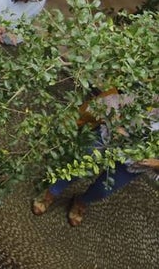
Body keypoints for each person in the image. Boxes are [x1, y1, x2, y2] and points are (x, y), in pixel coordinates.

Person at [32, 91, 159, 227]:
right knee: (78, 166)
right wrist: (115, 124)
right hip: (110, 137)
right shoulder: (150, 96)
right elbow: (113, 103)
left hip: (135, 163)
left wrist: (156, 163)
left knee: (103, 190)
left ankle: (81, 201)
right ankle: (51, 192)